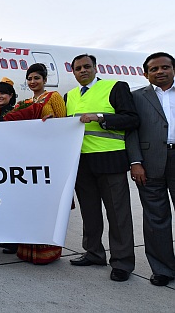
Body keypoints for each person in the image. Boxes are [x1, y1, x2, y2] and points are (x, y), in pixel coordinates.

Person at [65, 54, 139, 282]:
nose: (83, 71)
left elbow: (132, 119)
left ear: (96, 68)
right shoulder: (70, 96)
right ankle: (93, 252)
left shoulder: (115, 87)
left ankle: (122, 262)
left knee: (118, 214)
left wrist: (100, 117)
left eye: (87, 67)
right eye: (78, 68)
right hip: (82, 162)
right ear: (74, 72)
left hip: (109, 159)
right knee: (90, 212)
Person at [0, 64, 67, 263]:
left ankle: (47, 252)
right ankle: (26, 250)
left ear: (45, 80)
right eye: (29, 79)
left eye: (37, 78)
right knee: (29, 204)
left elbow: (62, 124)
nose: (33, 82)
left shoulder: (53, 97)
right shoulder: (25, 102)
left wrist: (51, 122)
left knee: (46, 205)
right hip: (28, 157)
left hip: (48, 155)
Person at [126, 52, 175, 286]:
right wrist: (135, 162)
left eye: (165, 67)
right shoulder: (136, 97)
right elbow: (131, 131)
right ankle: (163, 269)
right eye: (154, 69)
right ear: (145, 74)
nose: (160, 72)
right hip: (149, 163)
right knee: (156, 218)